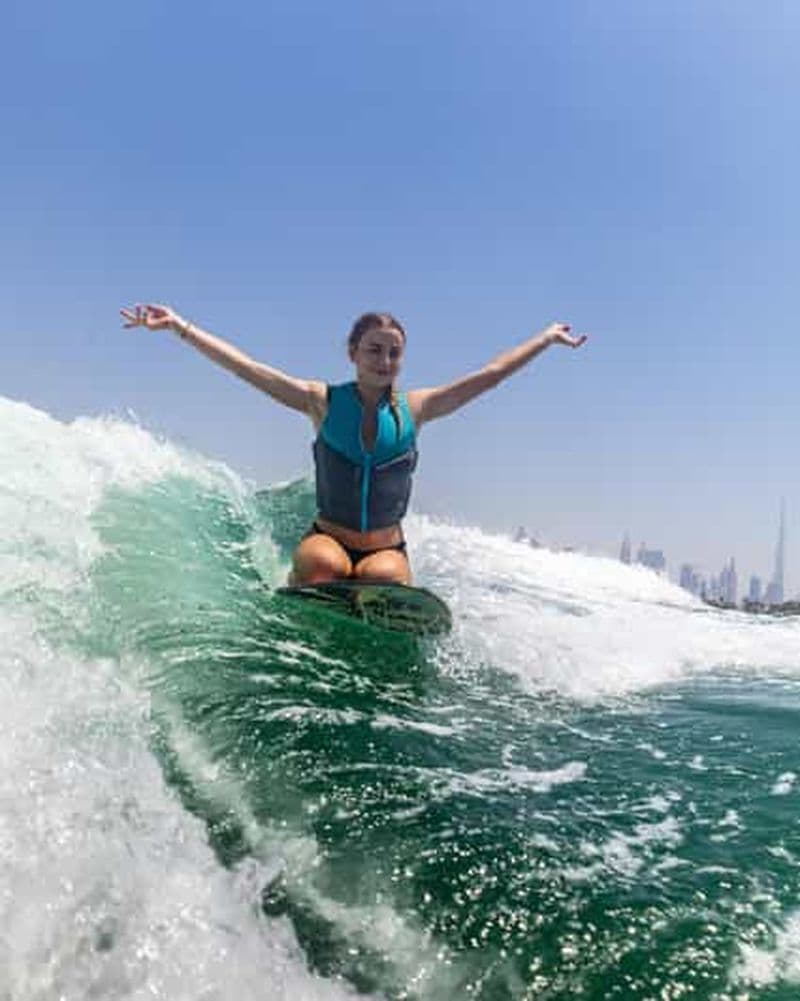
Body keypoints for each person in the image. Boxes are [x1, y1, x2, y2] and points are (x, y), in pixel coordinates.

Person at [120, 304, 587, 586]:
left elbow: (489, 377)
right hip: (329, 538)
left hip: (385, 549)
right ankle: (300, 591)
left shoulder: (415, 409)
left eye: (394, 352)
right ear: (352, 353)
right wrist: (180, 327)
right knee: (324, 567)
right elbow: (247, 368)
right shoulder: (320, 401)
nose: (385, 360)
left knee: (381, 577)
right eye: (374, 349)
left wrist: (545, 339)